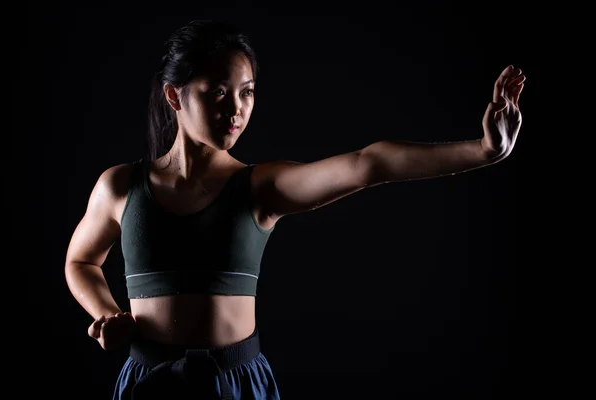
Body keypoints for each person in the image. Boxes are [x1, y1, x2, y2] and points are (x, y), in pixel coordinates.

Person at [64, 19, 525, 400]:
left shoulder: (260, 188)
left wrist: (484, 150)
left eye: (246, 92)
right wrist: (107, 313)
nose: (236, 109)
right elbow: (80, 261)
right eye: (218, 92)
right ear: (174, 96)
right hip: (150, 383)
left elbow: (368, 165)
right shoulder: (121, 186)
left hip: (237, 386)